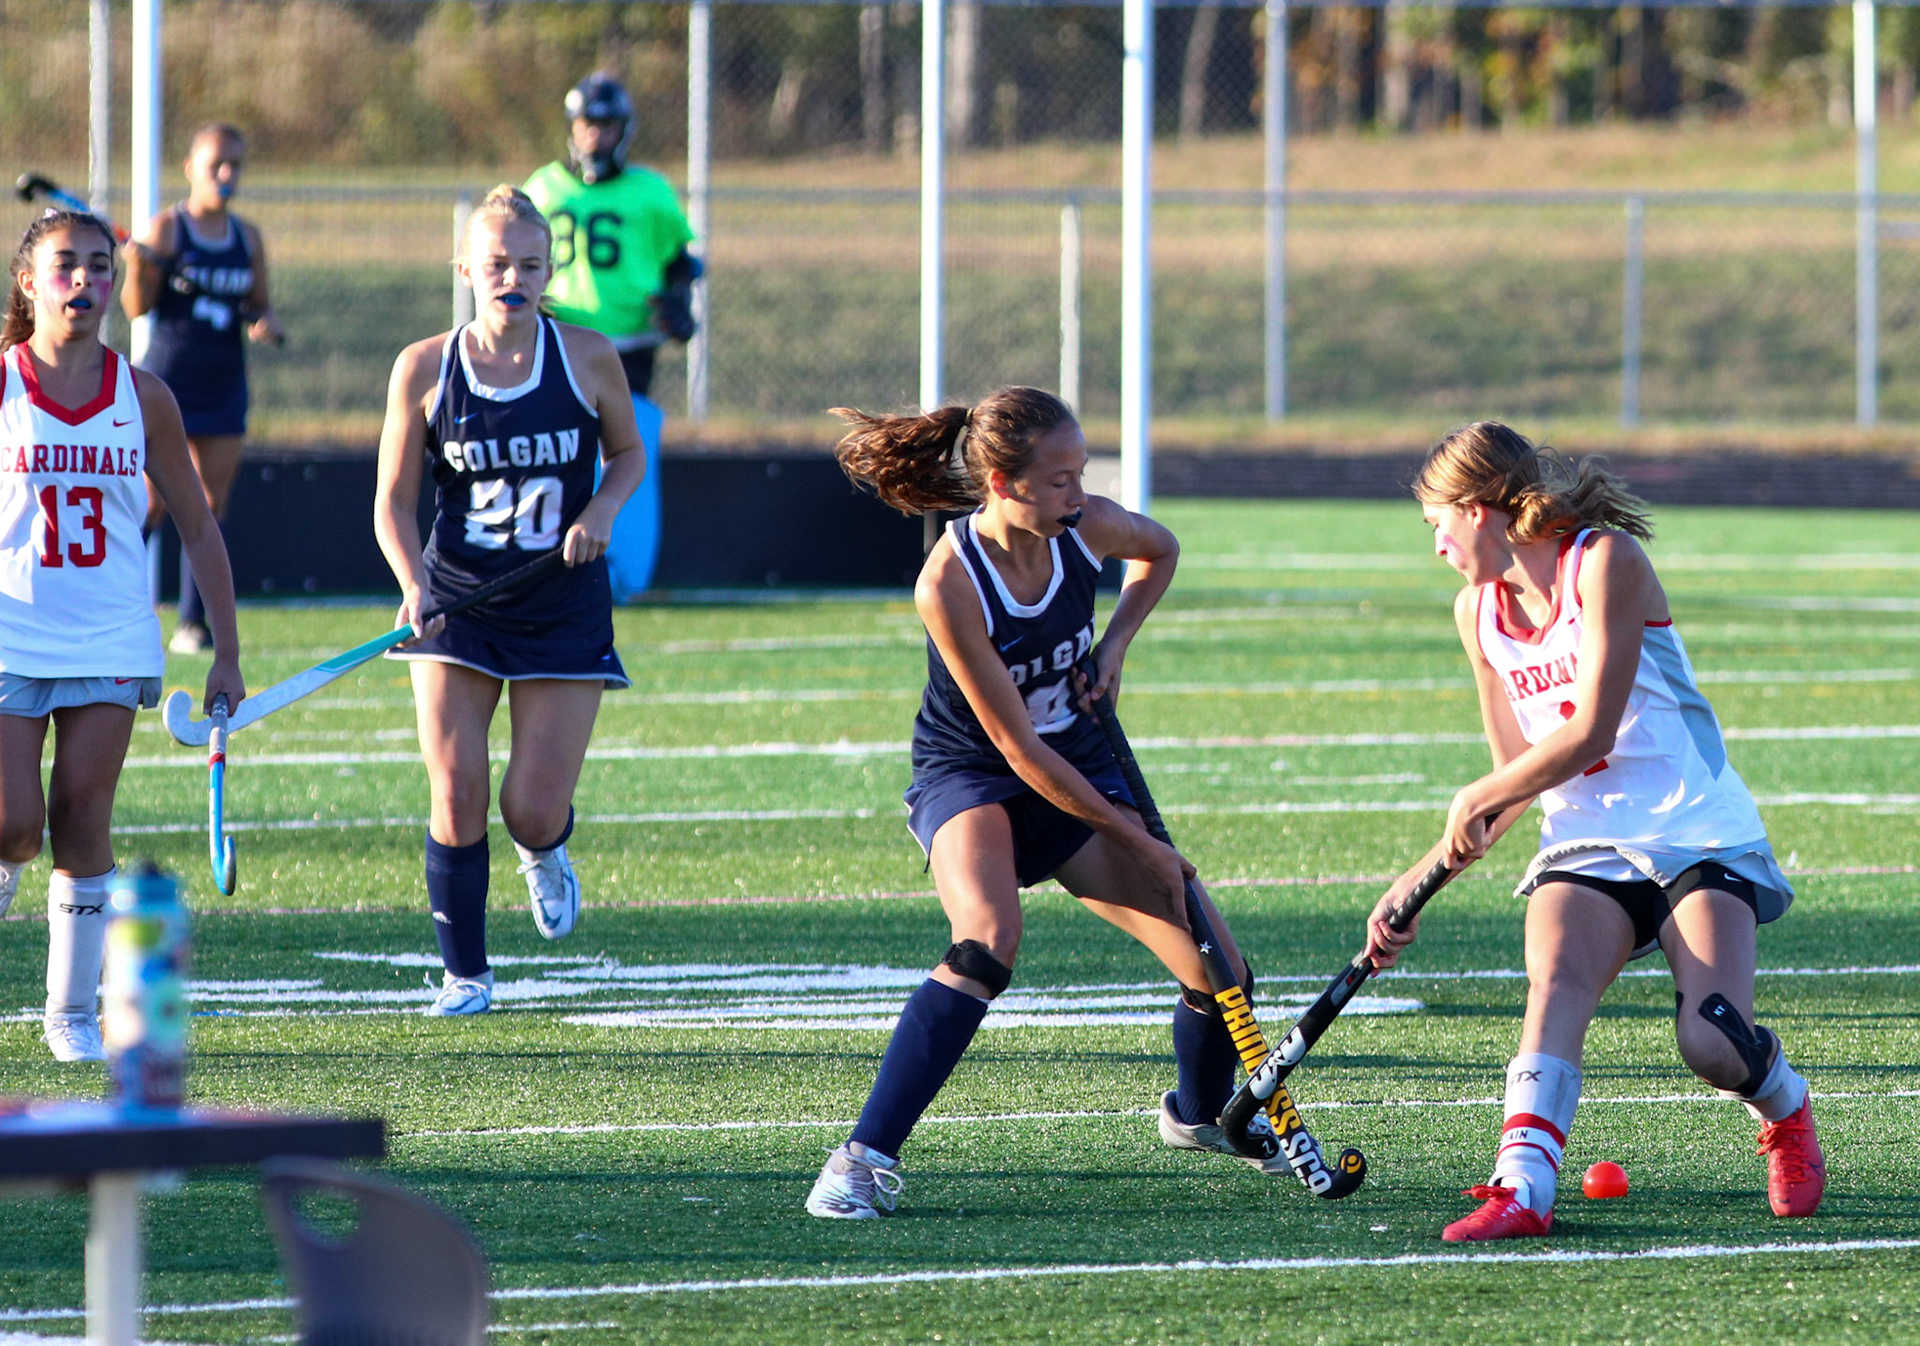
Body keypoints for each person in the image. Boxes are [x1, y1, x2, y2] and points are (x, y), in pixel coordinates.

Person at [805, 386, 1291, 1220]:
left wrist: (1115, 645)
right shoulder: (950, 581)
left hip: (1077, 760)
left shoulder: (1086, 528)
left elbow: (1161, 550)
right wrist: (1137, 842)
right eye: (1061, 479)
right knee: (986, 944)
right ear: (1004, 483)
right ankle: (859, 1161)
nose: (1079, 493)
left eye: (1082, 474)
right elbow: (1017, 751)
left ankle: (1198, 1115)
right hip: (974, 774)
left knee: (1222, 971)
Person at [1364, 421, 1823, 1242]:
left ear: (1476, 511)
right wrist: (1420, 878)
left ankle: (1785, 1105)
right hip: (1585, 841)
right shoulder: (1477, 614)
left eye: (1437, 524)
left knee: (1711, 1040)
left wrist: (1474, 795)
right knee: (1555, 984)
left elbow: (1590, 734)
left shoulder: (1606, 561)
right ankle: (1523, 1189)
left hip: (1694, 832)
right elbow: (1515, 777)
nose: (1436, 546)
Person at [372, 186, 645, 1017]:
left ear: (549, 270)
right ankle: (466, 975)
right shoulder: (424, 367)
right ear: (465, 269)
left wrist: (602, 510)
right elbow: (392, 503)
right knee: (457, 789)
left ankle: (545, 850)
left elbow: (628, 455)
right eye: (495, 264)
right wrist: (413, 585)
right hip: (458, 603)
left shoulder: (588, 356)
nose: (512, 279)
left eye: (529, 265)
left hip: (561, 604)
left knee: (530, 808)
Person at [0, 209, 245, 1061]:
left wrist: (227, 651)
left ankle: (70, 1016)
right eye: (65, 264)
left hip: (109, 633)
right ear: (28, 282)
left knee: (81, 813)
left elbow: (199, 525)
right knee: (13, 823)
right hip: (11, 629)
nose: (85, 279)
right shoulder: (3, 385)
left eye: (100, 265)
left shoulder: (145, 396)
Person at [121, 121, 282, 655]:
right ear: (192, 169)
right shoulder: (168, 229)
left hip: (224, 382)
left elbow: (258, 304)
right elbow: (135, 307)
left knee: (210, 505)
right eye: (217, 165)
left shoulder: (247, 236)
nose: (227, 174)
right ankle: (113, 602)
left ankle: (194, 624)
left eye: (235, 165)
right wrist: (138, 268)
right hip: (169, 381)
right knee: (152, 501)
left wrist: (265, 322)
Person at [522, 73, 699, 402]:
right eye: (587, 124)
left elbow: (680, 261)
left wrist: (680, 299)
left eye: (606, 126)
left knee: (628, 427)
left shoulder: (651, 191)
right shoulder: (543, 188)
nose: (595, 135)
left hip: (631, 339)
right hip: (562, 333)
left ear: (623, 130)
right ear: (572, 126)